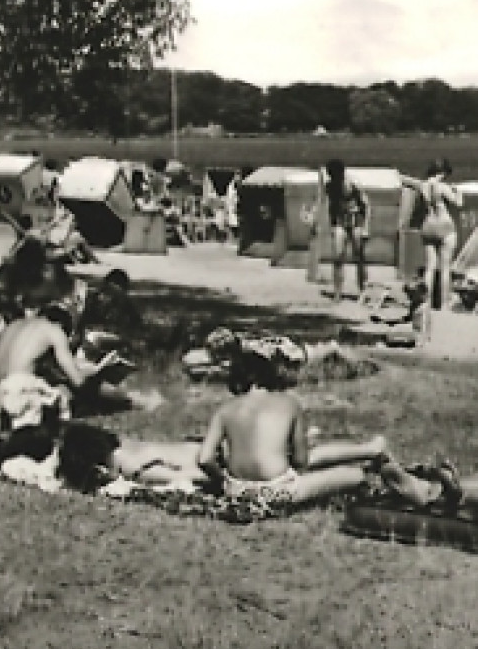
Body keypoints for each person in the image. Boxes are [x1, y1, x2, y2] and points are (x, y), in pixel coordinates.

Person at [195, 336, 387, 512]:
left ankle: (369, 449)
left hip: (236, 492)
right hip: (279, 491)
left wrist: (224, 481)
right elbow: (301, 461)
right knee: (355, 475)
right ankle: (369, 453)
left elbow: (204, 459)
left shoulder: (226, 409)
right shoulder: (288, 403)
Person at [0, 299, 124, 411]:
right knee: (72, 390)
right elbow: (78, 381)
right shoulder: (54, 330)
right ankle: (129, 401)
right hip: (20, 393)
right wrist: (100, 369)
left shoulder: (15, 324)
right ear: (62, 326)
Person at [409, 159, 463, 311]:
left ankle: (426, 303)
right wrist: (458, 192)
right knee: (445, 268)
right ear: (443, 173)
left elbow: (417, 209)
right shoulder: (442, 187)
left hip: (428, 225)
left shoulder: (422, 186)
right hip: (444, 224)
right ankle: (444, 305)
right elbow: (458, 204)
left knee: (430, 267)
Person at [321, 158, 371, 300]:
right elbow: (332, 206)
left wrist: (366, 227)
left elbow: (366, 205)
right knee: (337, 256)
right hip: (340, 221)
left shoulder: (353, 183)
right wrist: (332, 224)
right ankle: (338, 291)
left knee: (359, 257)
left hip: (356, 220)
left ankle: (362, 290)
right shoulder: (330, 186)